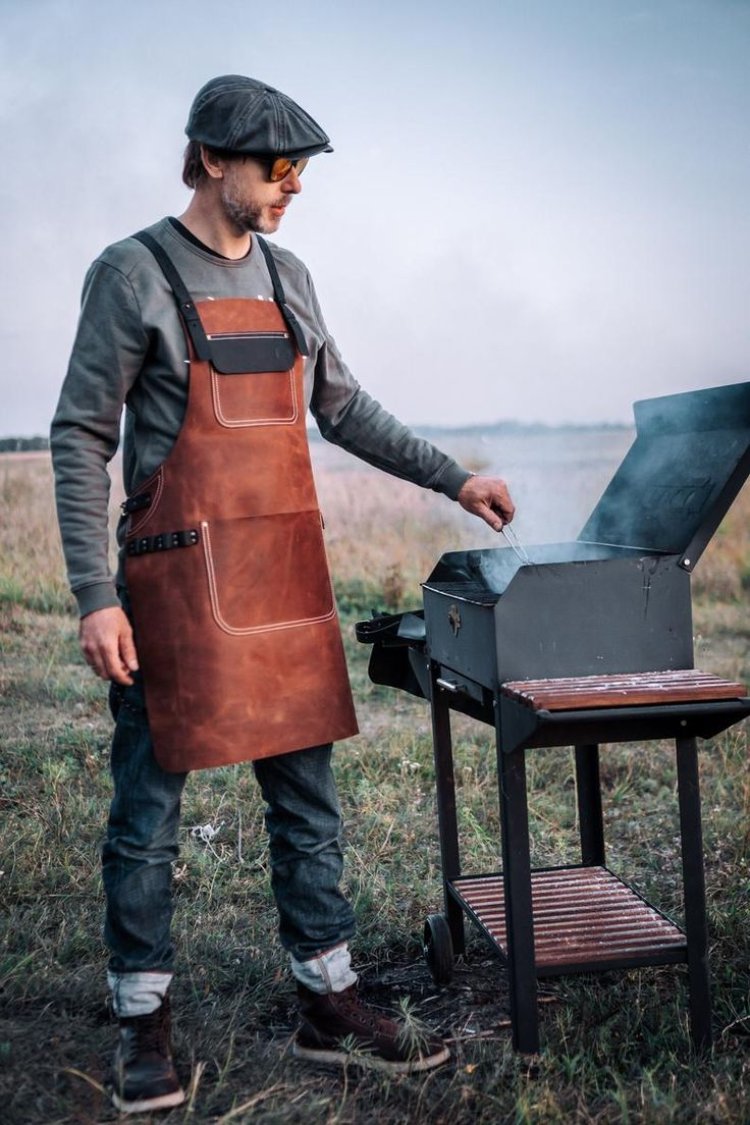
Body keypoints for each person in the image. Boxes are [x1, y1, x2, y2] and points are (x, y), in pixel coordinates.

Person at [51, 75, 516, 1115]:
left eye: (301, 169)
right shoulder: (130, 276)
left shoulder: (290, 275)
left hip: (286, 583)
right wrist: (96, 594)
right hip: (172, 590)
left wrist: (455, 475)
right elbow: (81, 436)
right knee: (148, 818)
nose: (291, 183)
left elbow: (342, 406)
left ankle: (328, 1001)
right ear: (212, 158)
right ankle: (143, 1028)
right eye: (275, 166)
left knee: (309, 809)